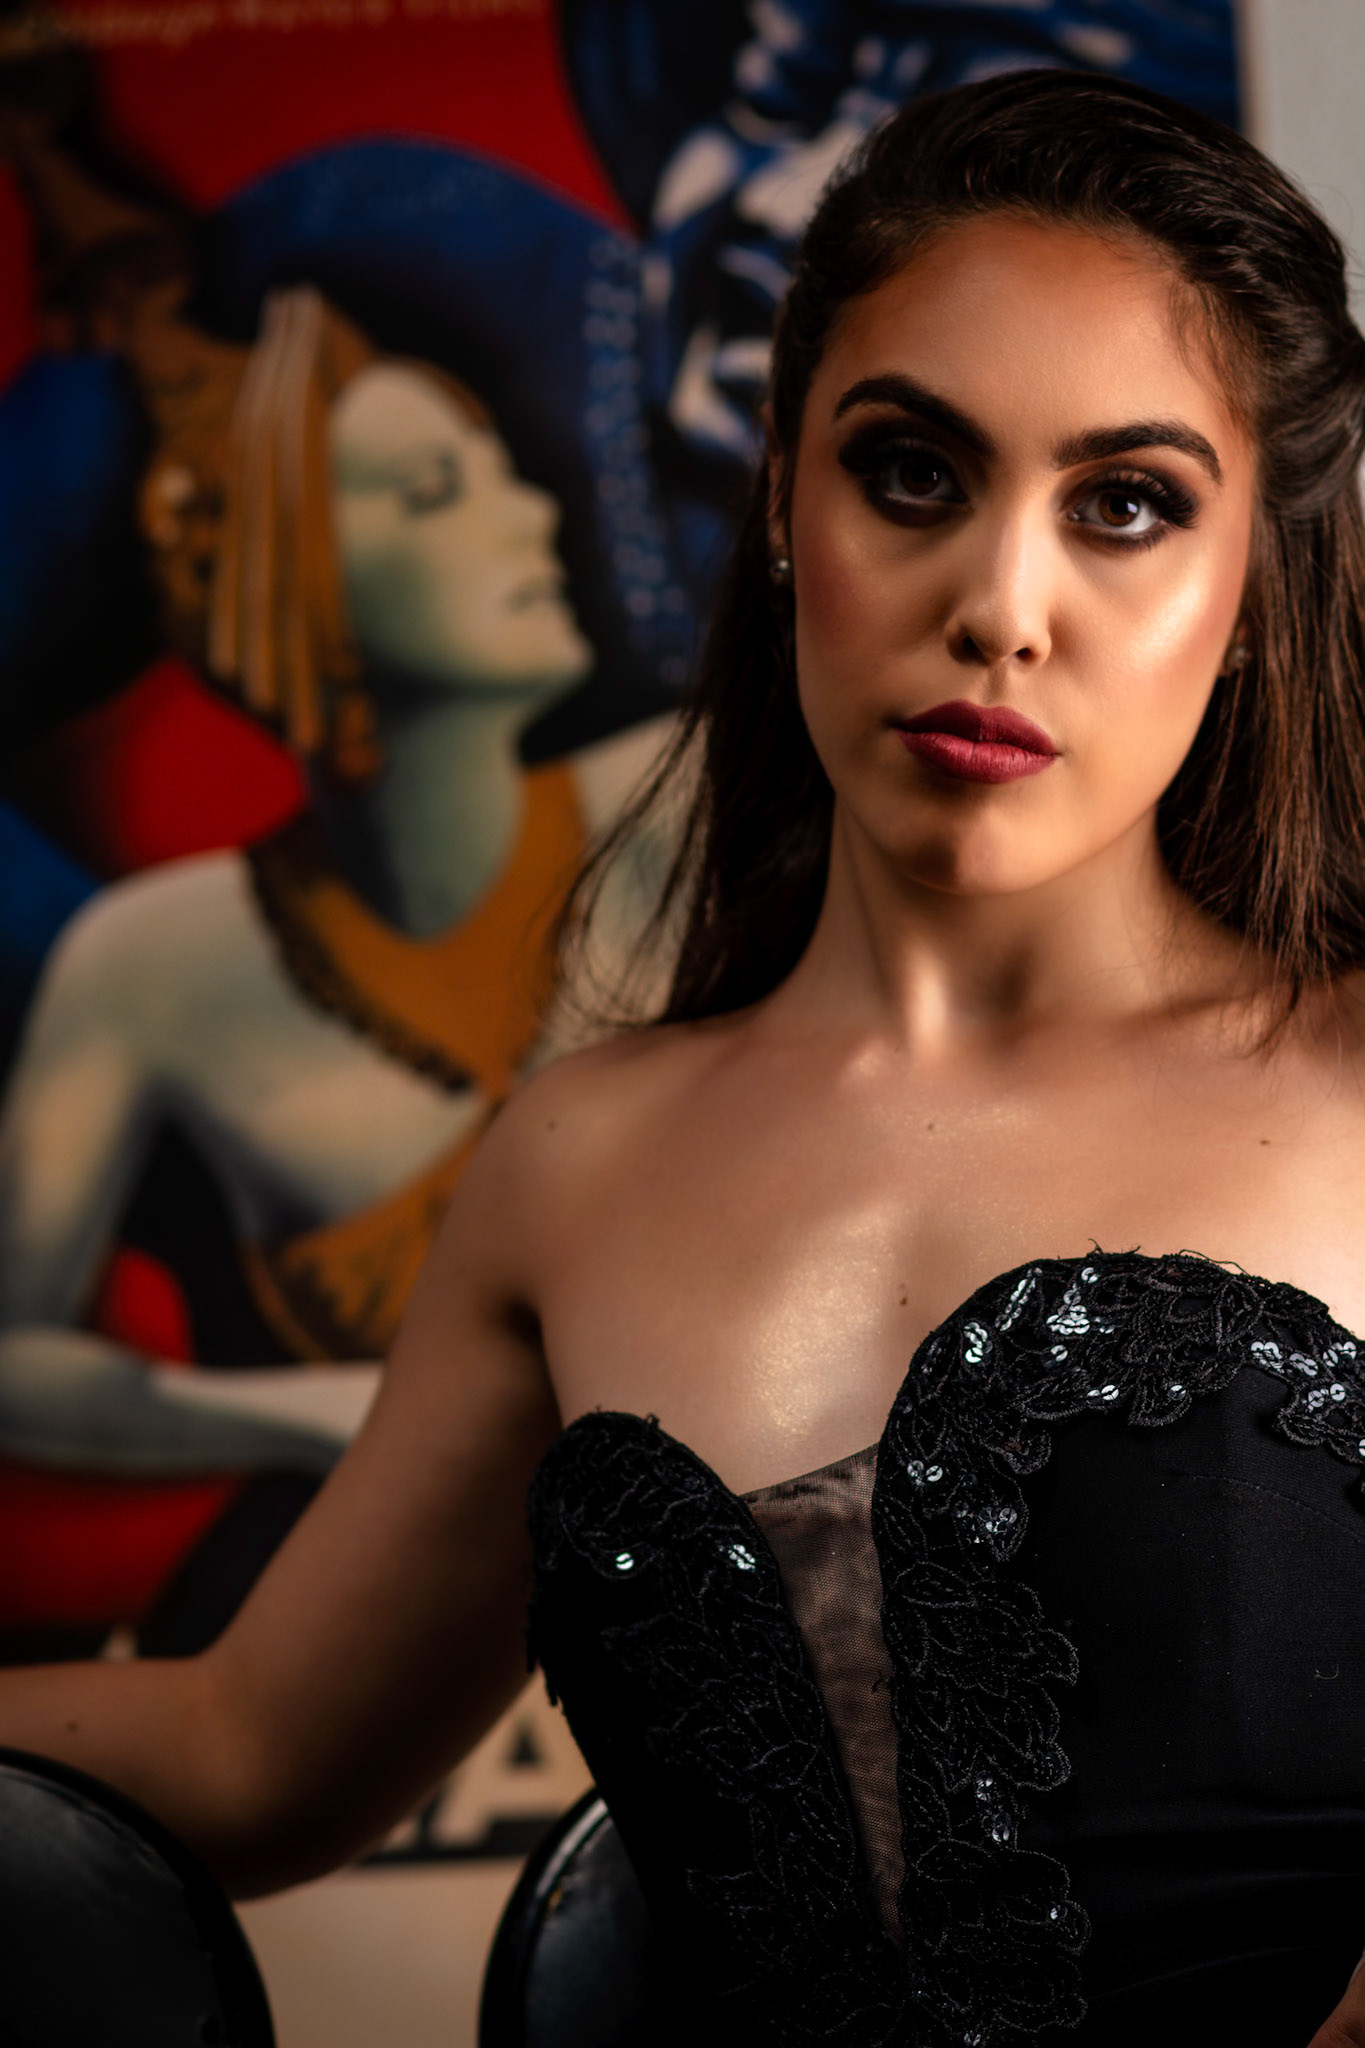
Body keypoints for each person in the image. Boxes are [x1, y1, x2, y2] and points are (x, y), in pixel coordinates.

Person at [5, 67, 1365, 2045]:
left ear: (1244, 592)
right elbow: (251, 1749)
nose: (1000, 608)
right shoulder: (579, 1160)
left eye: (1126, 506)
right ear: (786, 503)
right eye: (911, 473)